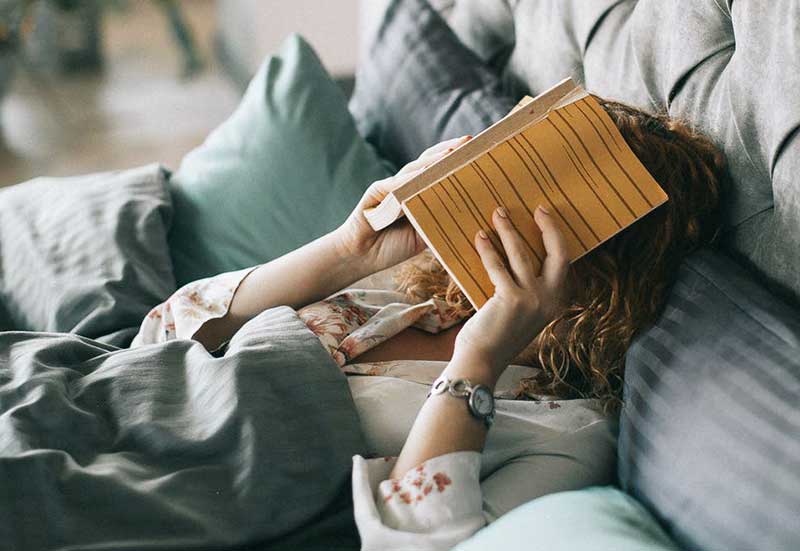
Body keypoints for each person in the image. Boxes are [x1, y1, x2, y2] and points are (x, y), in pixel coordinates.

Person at [133, 98, 725, 549]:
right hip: (99, 397)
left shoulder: (568, 436)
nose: (501, 212)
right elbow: (165, 331)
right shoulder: (419, 292)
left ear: (607, 269)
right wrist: (346, 252)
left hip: (157, 495)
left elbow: (414, 541)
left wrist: (479, 360)